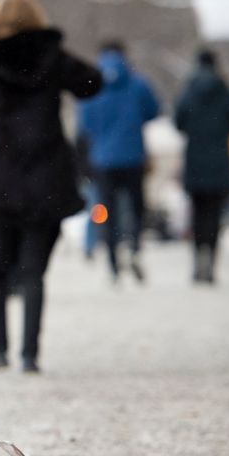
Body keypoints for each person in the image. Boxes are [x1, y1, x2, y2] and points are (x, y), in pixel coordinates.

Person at [0, 0, 101, 373]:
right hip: (45, 180)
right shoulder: (51, 57)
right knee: (33, 272)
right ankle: (30, 354)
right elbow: (92, 83)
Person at [78, 41, 161, 283]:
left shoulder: (91, 86)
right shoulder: (138, 84)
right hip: (133, 156)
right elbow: (153, 111)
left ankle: (113, 263)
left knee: (107, 212)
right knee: (136, 208)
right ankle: (134, 247)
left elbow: (85, 126)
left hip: (103, 159)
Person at [174, 49, 229, 283]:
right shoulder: (225, 90)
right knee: (214, 214)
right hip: (220, 161)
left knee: (198, 214)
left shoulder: (189, 89)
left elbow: (178, 122)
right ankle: (211, 261)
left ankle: (197, 261)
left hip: (195, 161)